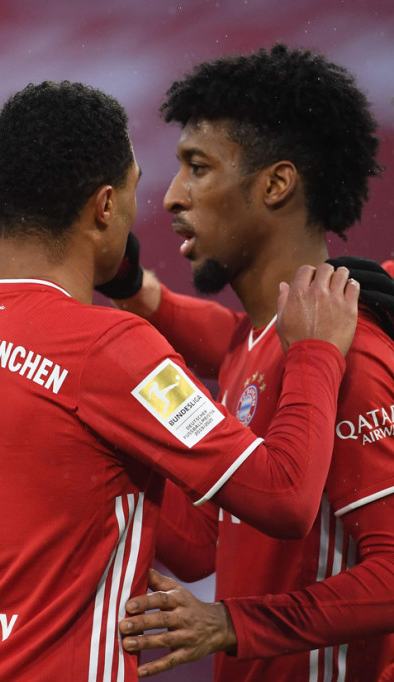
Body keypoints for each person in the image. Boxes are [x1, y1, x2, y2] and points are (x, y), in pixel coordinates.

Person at [0, 79, 360, 681]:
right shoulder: (110, 349)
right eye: (140, 188)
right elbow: (284, 496)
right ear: (105, 206)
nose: (158, 204)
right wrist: (316, 354)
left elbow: (192, 548)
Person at [108, 45, 394, 681]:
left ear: (275, 184)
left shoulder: (350, 351)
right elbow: (207, 541)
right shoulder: (257, 341)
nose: (174, 197)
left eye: (198, 168)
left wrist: (234, 623)